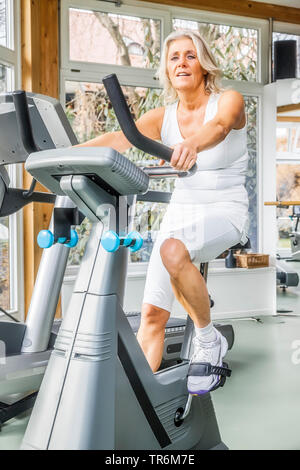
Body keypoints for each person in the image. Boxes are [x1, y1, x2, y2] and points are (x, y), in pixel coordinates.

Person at [77, 29, 249, 395]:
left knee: (172, 249)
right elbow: (116, 139)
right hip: (181, 212)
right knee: (153, 314)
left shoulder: (228, 101)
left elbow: (218, 128)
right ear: (167, 70)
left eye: (190, 55)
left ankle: (208, 339)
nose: (182, 63)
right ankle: (131, 402)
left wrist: (189, 143)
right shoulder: (163, 116)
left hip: (226, 209)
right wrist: (66, 153)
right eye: (174, 58)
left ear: (203, 64)